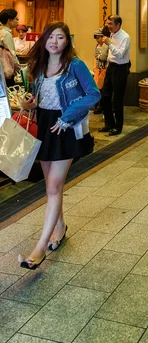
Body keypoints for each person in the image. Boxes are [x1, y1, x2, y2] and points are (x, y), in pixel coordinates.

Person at [18, 22, 100, 270]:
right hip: (44, 125)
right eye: (51, 37)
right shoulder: (39, 65)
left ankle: (40, 249)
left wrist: (68, 116)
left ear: (67, 42)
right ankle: (60, 228)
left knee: (54, 186)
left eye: (60, 37)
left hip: (64, 127)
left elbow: (93, 94)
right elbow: (36, 98)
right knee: (52, 187)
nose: (54, 41)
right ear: (44, 40)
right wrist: (28, 102)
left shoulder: (75, 65)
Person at [99, 15, 131, 136]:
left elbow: (121, 54)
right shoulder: (111, 34)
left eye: (111, 24)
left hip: (121, 68)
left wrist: (109, 43)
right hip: (111, 67)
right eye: (108, 23)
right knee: (105, 96)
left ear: (118, 25)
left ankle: (118, 127)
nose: (108, 26)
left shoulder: (125, 37)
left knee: (117, 99)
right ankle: (109, 124)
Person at [93, 26, 110, 115]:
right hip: (98, 69)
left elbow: (103, 57)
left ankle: (101, 106)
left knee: (102, 88)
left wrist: (98, 56)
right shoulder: (97, 45)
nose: (97, 39)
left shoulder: (105, 45)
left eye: (98, 37)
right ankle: (97, 106)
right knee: (97, 87)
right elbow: (95, 54)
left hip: (104, 69)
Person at [0, 8, 20, 86]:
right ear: (9, 20)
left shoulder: (1, 32)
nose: (17, 21)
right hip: (6, 69)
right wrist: (18, 68)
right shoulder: (7, 34)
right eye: (16, 18)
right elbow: (12, 54)